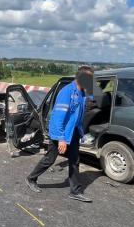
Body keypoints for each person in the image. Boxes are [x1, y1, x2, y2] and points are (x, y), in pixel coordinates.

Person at [25, 65, 94, 202]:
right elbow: (58, 118)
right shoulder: (67, 92)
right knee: (50, 159)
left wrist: (81, 133)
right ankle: (31, 178)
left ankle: (74, 191)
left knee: (74, 160)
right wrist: (61, 139)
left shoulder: (82, 93)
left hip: (72, 132)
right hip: (60, 133)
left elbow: (78, 115)